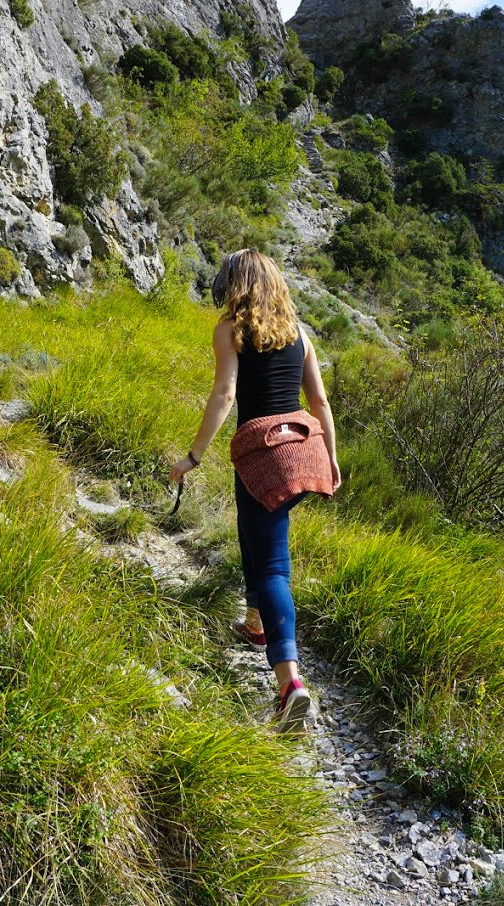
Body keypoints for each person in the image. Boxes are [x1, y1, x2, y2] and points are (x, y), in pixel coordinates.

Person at [169, 249, 341, 732]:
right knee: (258, 535)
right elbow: (319, 401)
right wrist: (331, 458)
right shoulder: (298, 334)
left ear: (236, 284)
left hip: (263, 453)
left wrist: (194, 456)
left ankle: (290, 682)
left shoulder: (230, 330)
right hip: (304, 451)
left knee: (272, 565)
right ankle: (256, 621)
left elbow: (225, 395)